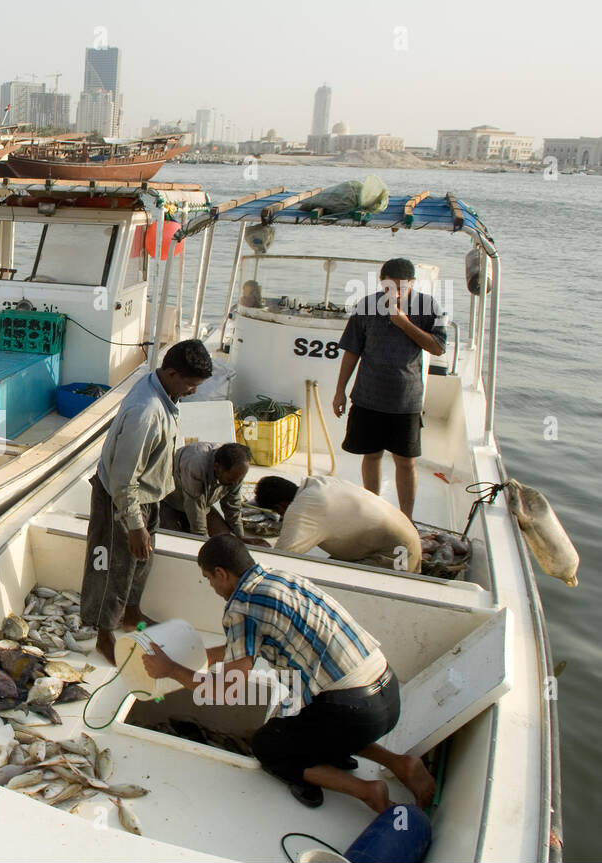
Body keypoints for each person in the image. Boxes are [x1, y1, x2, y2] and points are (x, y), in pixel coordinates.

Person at [143, 535, 436, 813]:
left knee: (269, 745)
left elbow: (225, 692)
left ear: (221, 573)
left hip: (354, 712)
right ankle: (399, 763)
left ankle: (367, 790)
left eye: (208, 579)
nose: (211, 586)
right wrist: (204, 657)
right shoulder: (278, 578)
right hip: (388, 692)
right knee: (313, 717)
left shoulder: (241, 607)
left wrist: (170, 669)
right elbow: (246, 646)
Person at [79, 339, 213, 664]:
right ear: (171, 373)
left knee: (141, 562)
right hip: (121, 500)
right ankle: (103, 633)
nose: (194, 391)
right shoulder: (146, 412)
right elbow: (124, 481)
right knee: (111, 566)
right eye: (191, 384)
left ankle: (131, 613)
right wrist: (135, 525)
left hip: (149, 495)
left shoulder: (165, 392)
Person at [332, 258, 447, 520]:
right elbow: (352, 350)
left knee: (405, 462)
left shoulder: (429, 307)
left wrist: (403, 322)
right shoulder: (366, 305)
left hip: (405, 400)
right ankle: (373, 514)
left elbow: (438, 348)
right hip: (368, 396)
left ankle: (406, 519)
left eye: (400, 288)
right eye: (387, 287)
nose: (392, 293)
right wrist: (340, 390)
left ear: (412, 284)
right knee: (371, 456)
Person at [254, 475, 422, 572]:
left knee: (331, 584)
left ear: (280, 507)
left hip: (399, 553)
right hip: (408, 534)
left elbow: (281, 560)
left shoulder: (303, 508)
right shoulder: (319, 483)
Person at [159, 441, 252, 540]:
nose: (235, 483)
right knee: (176, 541)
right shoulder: (196, 465)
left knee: (225, 540)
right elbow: (195, 507)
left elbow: (232, 504)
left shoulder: (236, 473)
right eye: (230, 480)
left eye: (239, 480)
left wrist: (240, 536)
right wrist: (202, 541)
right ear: (217, 467)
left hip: (203, 505)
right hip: (170, 501)